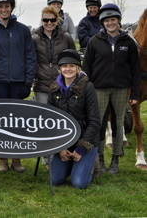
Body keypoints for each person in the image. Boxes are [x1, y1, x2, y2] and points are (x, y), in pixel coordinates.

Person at [0, 0, 37, 173]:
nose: (3, 9)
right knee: (0, 122)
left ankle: (16, 159)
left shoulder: (22, 30)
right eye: (0, 6)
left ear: (11, 7)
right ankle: (2, 159)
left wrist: (27, 82)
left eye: (6, 6)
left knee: (17, 122)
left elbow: (30, 57)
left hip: (18, 82)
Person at [82, 3, 141, 174]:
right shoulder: (94, 41)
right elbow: (86, 68)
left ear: (119, 20)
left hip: (121, 89)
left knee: (117, 123)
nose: (110, 23)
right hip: (99, 89)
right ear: (102, 22)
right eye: (106, 20)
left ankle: (116, 158)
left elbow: (135, 70)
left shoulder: (128, 43)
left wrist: (135, 92)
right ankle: (99, 157)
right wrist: (88, 89)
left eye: (113, 19)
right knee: (98, 123)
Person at [48, 49, 101, 189]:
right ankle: (71, 164)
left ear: (78, 68)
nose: (68, 69)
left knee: (79, 183)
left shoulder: (88, 87)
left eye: (72, 65)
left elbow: (95, 121)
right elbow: (50, 122)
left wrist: (81, 149)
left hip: (85, 142)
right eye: (64, 66)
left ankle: (89, 162)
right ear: (60, 68)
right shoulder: (54, 89)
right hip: (65, 143)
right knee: (55, 179)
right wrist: (60, 147)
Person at [32, 6, 75, 104]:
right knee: (43, 117)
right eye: (46, 20)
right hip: (41, 87)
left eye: (52, 20)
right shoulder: (34, 40)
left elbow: (73, 61)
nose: (49, 23)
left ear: (57, 20)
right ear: (42, 21)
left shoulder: (67, 38)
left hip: (62, 86)